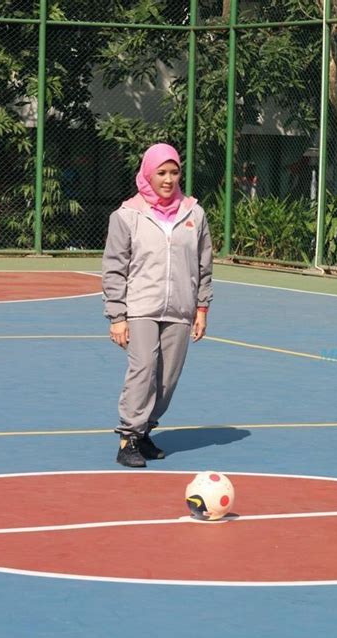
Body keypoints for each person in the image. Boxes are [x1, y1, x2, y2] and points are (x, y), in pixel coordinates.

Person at [102, 143, 213, 467]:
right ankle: (128, 438)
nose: (168, 179)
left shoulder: (194, 213)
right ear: (147, 174)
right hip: (140, 308)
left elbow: (204, 265)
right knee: (143, 371)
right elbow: (114, 268)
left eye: (174, 172)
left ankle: (146, 431)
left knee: (167, 380)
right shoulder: (127, 215)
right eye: (161, 173)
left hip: (180, 309)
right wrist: (117, 316)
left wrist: (202, 308)